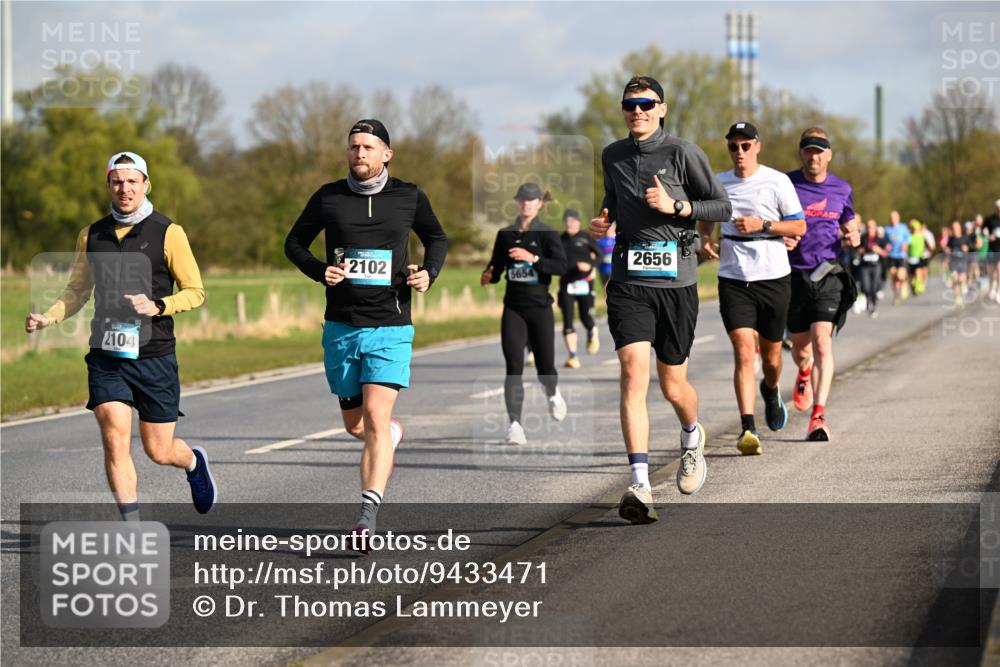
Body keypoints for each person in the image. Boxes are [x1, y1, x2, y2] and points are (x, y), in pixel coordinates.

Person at [25, 152, 215, 521]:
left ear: (146, 184)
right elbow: (76, 291)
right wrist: (48, 319)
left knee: (158, 450)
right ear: (108, 185)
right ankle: (132, 527)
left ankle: (193, 462)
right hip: (107, 354)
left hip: (155, 354)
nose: (124, 189)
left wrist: (158, 306)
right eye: (117, 182)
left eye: (132, 181)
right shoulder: (92, 234)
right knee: (114, 434)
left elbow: (196, 291)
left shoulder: (168, 232)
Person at [284, 119, 448, 546]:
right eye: (354, 147)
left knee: (375, 416)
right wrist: (321, 271)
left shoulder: (409, 196)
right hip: (341, 326)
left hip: (391, 324)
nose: (360, 154)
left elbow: (436, 238)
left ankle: (365, 518)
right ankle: (391, 435)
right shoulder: (328, 197)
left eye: (368, 147)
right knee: (356, 425)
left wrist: (428, 274)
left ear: (386, 154)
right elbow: (294, 243)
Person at [590, 75, 731, 524]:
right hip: (629, 280)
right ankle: (640, 482)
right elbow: (613, 199)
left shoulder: (683, 153)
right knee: (633, 374)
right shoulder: (612, 154)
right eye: (631, 104)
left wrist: (679, 208)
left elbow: (721, 206)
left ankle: (692, 437)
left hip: (676, 283)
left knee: (672, 386)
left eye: (647, 103)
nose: (639, 111)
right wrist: (604, 219)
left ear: (662, 108)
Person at [699, 122, 805, 456]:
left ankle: (771, 390)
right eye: (734, 146)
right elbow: (707, 218)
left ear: (757, 146)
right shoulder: (718, 182)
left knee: (772, 357)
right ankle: (748, 428)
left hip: (773, 277)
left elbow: (799, 225)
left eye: (746, 146)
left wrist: (765, 225)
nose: (740, 152)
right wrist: (704, 238)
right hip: (734, 278)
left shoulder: (777, 181)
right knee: (745, 352)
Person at [785, 127, 861, 442]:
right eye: (808, 150)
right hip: (793, 276)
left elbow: (851, 224)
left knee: (822, 343)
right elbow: (772, 220)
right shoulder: (786, 184)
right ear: (801, 153)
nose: (813, 156)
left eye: (819, 151)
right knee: (802, 350)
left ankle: (818, 416)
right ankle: (804, 372)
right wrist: (781, 235)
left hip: (828, 274)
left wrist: (855, 236)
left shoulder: (841, 188)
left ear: (828, 154)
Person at [481, 182, 568, 446]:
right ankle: (515, 425)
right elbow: (496, 267)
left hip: (540, 308)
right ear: (517, 202)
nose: (526, 204)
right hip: (513, 308)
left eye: (532, 200)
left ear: (540, 203)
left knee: (545, 369)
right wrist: (489, 275)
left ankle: (552, 393)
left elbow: (561, 266)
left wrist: (533, 259)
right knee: (513, 368)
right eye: (522, 200)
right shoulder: (505, 234)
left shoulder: (548, 233)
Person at [558, 208, 603, 367]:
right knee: (567, 320)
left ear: (578, 222)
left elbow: (600, 255)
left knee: (585, 317)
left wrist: (590, 265)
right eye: (567, 221)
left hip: (584, 282)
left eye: (572, 221)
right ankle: (573, 356)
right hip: (566, 284)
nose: (569, 224)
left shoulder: (586, 237)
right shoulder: (560, 240)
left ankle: (592, 331)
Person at [858, 219, 889, 317]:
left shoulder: (879, 239)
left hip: (876, 265)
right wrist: (861, 250)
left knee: (874, 287)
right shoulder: (863, 238)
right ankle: (868, 300)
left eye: (871, 226)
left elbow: (886, 251)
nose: (869, 228)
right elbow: (857, 248)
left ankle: (873, 306)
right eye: (868, 226)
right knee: (866, 286)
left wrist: (878, 250)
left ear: (875, 228)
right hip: (865, 266)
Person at [885, 210, 910, 303]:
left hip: (901, 255)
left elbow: (908, 239)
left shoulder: (903, 228)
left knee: (900, 275)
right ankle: (896, 295)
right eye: (891, 218)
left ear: (898, 218)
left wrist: (905, 244)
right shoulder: (887, 229)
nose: (893, 219)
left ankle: (905, 282)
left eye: (895, 217)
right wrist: (886, 245)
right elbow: (885, 241)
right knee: (893, 275)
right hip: (891, 255)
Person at [945, 220, 971, 306]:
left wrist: (967, 248)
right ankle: (957, 296)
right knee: (955, 279)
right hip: (954, 261)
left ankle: (964, 284)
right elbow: (947, 248)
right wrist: (947, 250)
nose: (955, 229)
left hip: (963, 260)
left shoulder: (965, 237)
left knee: (961, 278)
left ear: (960, 227)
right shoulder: (951, 239)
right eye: (953, 227)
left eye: (956, 227)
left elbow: (971, 246)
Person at [906, 218, 928, 297]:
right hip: (911, 257)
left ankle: (919, 286)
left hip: (919, 257)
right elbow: (906, 247)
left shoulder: (922, 236)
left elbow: (928, 245)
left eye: (915, 228)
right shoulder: (909, 237)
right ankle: (913, 286)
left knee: (919, 272)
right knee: (911, 275)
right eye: (912, 228)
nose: (914, 229)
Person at [986, 200, 1000, 303]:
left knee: (999, 269)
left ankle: (999, 290)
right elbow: (984, 230)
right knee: (992, 270)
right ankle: (993, 286)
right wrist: (988, 236)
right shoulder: (990, 219)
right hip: (992, 248)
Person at [597, 223, 616, 288]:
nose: (609, 230)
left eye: (610, 228)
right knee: (605, 287)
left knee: (609, 286)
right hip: (603, 269)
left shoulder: (617, 240)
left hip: (613, 270)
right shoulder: (600, 241)